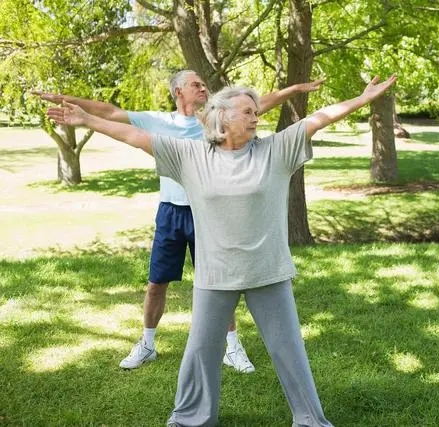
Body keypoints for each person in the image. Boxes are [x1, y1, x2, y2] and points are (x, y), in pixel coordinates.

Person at [46, 73, 396, 427]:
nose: (256, 117)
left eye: (256, 111)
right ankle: (191, 418)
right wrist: (88, 119)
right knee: (201, 350)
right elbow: (136, 136)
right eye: (247, 111)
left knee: (288, 350)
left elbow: (319, 118)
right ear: (223, 116)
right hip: (215, 274)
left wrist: (362, 99)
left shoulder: (276, 150)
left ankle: (309, 420)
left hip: (268, 270)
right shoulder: (191, 155)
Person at [34, 71, 324, 372]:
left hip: (211, 216)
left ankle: (233, 347)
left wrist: (295, 88)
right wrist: (69, 103)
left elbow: (261, 102)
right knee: (156, 282)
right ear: (178, 92)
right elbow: (110, 113)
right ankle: (147, 344)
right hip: (171, 212)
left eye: (202, 83)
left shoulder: (215, 118)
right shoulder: (158, 122)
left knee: (220, 283)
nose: (202, 87)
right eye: (195, 84)